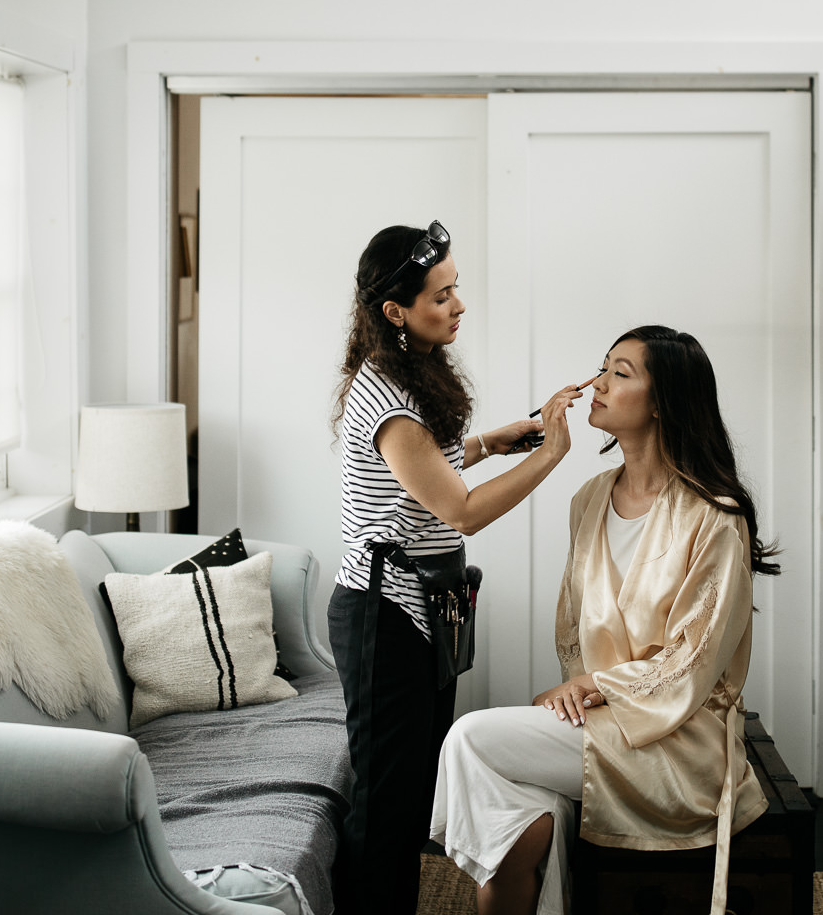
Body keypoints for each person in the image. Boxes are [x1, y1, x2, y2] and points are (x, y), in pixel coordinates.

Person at [430, 325, 782, 915]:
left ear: (663, 402)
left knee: (470, 739)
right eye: (602, 368)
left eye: (620, 373)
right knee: (519, 814)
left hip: (676, 738)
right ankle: (533, 856)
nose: (596, 383)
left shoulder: (714, 517)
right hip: (600, 720)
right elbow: (573, 627)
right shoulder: (590, 499)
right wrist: (579, 690)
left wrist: (593, 686)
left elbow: (694, 660)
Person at [329, 221, 590, 915]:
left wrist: (488, 443)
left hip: (424, 608)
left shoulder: (411, 371)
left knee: (414, 794)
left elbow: (422, 472)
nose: (458, 305)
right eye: (441, 296)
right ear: (396, 312)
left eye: (455, 289)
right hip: (384, 614)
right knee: (387, 807)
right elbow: (462, 511)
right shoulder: (387, 398)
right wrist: (550, 454)